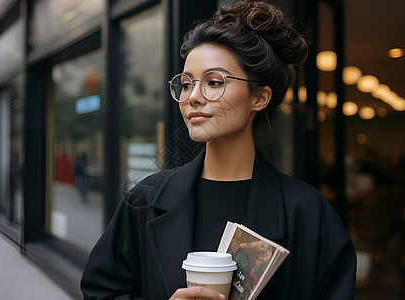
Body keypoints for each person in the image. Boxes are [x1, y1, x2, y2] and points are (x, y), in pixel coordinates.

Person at [81, 1, 357, 299]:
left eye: (214, 82)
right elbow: (101, 292)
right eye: (186, 84)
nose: (193, 97)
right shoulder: (146, 200)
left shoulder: (308, 214)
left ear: (260, 97)